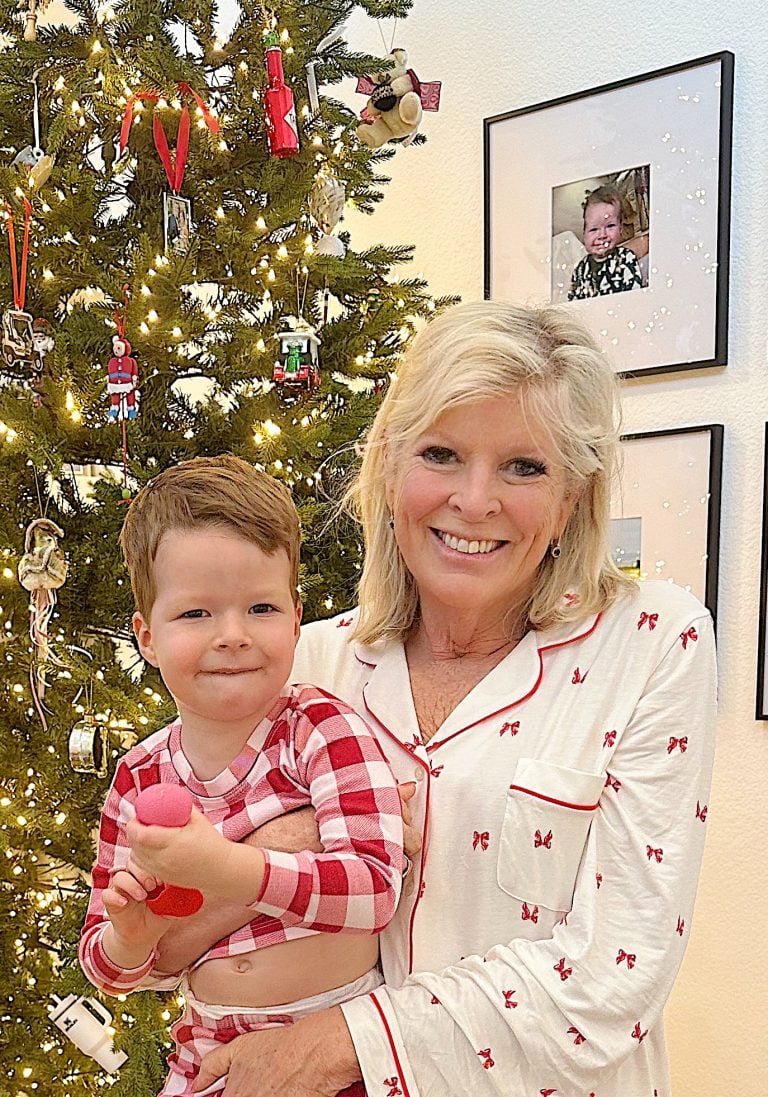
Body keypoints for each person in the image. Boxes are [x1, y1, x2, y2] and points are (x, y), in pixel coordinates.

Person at [161, 302, 717, 1097]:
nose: (476, 499)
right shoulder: (305, 663)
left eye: (525, 467)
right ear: (390, 469)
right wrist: (298, 835)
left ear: (570, 498)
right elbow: (158, 944)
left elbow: (607, 986)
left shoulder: (653, 644)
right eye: (442, 454)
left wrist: (342, 1041)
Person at [79, 455, 404, 1097]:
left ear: (295, 615)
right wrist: (130, 938)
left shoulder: (320, 727)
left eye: (260, 607)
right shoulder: (137, 779)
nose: (232, 635)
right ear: (146, 636)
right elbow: (108, 968)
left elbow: (373, 889)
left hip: (339, 1059)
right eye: (196, 614)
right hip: (209, 1060)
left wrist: (224, 869)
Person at [568, 185, 643, 300]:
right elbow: (573, 302)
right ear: (584, 234)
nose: (602, 235)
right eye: (594, 229)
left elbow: (635, 294)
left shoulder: (626, 258)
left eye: (610, 226)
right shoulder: (581, 269)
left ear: (621, 229)